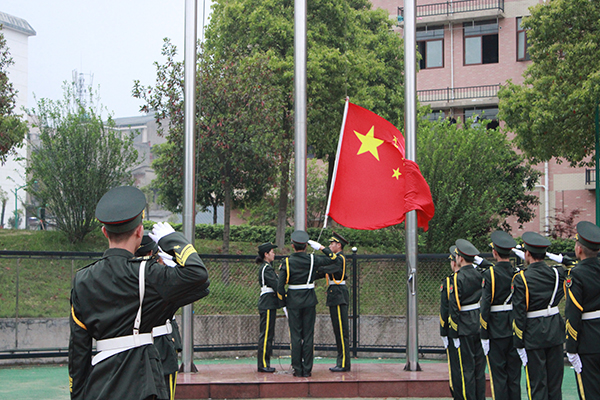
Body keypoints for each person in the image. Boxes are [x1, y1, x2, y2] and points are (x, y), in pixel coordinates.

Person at [68, 186, 210, 400]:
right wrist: (172, 239)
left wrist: (77, 395)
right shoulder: (147, 274)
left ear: (105, 232)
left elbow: (78, 351)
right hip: (141, 382)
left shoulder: (82, 279)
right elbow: (197, 275)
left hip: (100, 384)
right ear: (139, 231)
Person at [277, 230, 338, 377]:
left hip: (293, 301)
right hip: (309, 300)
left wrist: (284, 302)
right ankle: (307, 369)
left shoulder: (286, 262)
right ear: (306, 246)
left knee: (296, 336)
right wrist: (321, 247)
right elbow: (334, 258)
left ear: (292, 246)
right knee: (308, 335)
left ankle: (297, 369)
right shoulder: (312, 259)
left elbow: (280, 287)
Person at [511, 231, 565, 400]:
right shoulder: (558, 274)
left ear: (527, 253)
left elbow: (519, 313)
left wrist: (518, 342)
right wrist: (559, 259)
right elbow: (573, 267)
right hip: (555, 330)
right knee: (555, 384)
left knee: (537, 384)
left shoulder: (521, 278)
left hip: (533, 333)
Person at [135, 233, 183, 400]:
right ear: (151, 254)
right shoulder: (160, 279)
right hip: (160, 343)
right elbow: (198, 282)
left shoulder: (127, 276)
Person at [479, 231, 521, 400]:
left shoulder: (490, 275)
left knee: (499, 377)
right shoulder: (518, 273)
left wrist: (484, 334)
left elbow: (485, 306)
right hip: (514, 328)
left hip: (496, 330)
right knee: (514, 377)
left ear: (494, 253)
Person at [565, 221, 600, 399]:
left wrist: (571, 347)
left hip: (588, 341)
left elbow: (573, 313)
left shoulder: (576, 274)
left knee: (590, 392)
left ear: (579, 250)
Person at [447, 239, 486, 400]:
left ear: (460, 258)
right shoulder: (481, 274)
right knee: (479, 369)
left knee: (466, 369)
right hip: (479, 323)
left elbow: (454, 307)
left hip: (464, 326)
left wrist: (453, 333)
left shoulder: (457, 278)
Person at [313, 232, 351, 372]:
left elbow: (329, 266)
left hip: (338, 295)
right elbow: (323, 270)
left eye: (332, 244)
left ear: (338, 245)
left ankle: (343, 364)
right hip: (335, 295)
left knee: (341, 331)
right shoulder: (336, 260)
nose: (330, 246)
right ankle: (341, 362)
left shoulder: (340, 259)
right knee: (338, 330)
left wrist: (322, 248)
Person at [440, 245, 461, 399]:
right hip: (474, 329)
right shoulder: (478, 276)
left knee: (455, 368)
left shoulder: (450, 282)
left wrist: (444, 331)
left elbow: (445, 309)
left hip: (455, 331)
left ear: (455, 262)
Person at [256, 241, 279, 373]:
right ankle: (263, 363)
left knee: (268, 334)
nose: (274, 254)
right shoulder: (267, 268)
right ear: (266, 254)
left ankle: (265, 362)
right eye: (272, 252)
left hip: (269, 302)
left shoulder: (267, 267)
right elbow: (275, 285)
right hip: (268, 302)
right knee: (266, 335)